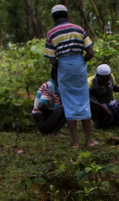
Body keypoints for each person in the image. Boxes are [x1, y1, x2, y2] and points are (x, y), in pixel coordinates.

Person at [44, 5, 96, 148]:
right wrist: (80, 62)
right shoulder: (79, 29)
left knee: (68, 103)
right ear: (67, 15)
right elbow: (91, 52)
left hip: (64, 68)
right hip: (79, 66)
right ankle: (89, 140)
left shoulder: (51, 34)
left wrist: (61, 65)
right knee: (83, 101)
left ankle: (75, 142)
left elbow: (52, 59)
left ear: (53, 18)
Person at [88, 63, 119, 129]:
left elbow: (114, 87)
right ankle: (97, 123)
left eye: (107, 80)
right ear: (97, 76)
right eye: (103, 80)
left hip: (111, 104)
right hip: (97, 107)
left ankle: (118, 121)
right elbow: (85, 97)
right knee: (87, 101)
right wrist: (100, 105)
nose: (105, 82)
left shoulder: (111, 77)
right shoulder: (90, 82)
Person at [31, 68, 65, 135]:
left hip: (45, 119)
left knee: (64, 107)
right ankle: (54, 132)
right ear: (56, 75)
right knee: (64, 108)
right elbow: (41, 106)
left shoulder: (56, 88)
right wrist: (57, 110)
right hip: (42, 120)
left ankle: (55, 130)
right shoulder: (49, 86)